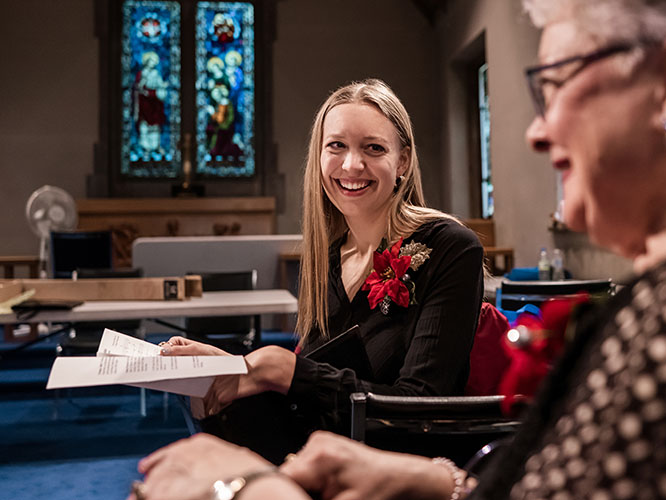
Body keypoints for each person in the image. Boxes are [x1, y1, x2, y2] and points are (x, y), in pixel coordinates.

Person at [131, 0, 666, 498]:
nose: (537, 133)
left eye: (554, 83)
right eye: (335, 147)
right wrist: (443, 484)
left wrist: (236, 486)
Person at [160, 78, 485, 463]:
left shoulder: (450, 247)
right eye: (337, 146)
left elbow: (423, 407)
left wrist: (284, 369)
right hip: (325, 456)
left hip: (398, 469)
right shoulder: (328, 257)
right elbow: (317, 389)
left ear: (402, 161)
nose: (351, 164)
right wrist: (229, 366)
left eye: (373, 148)